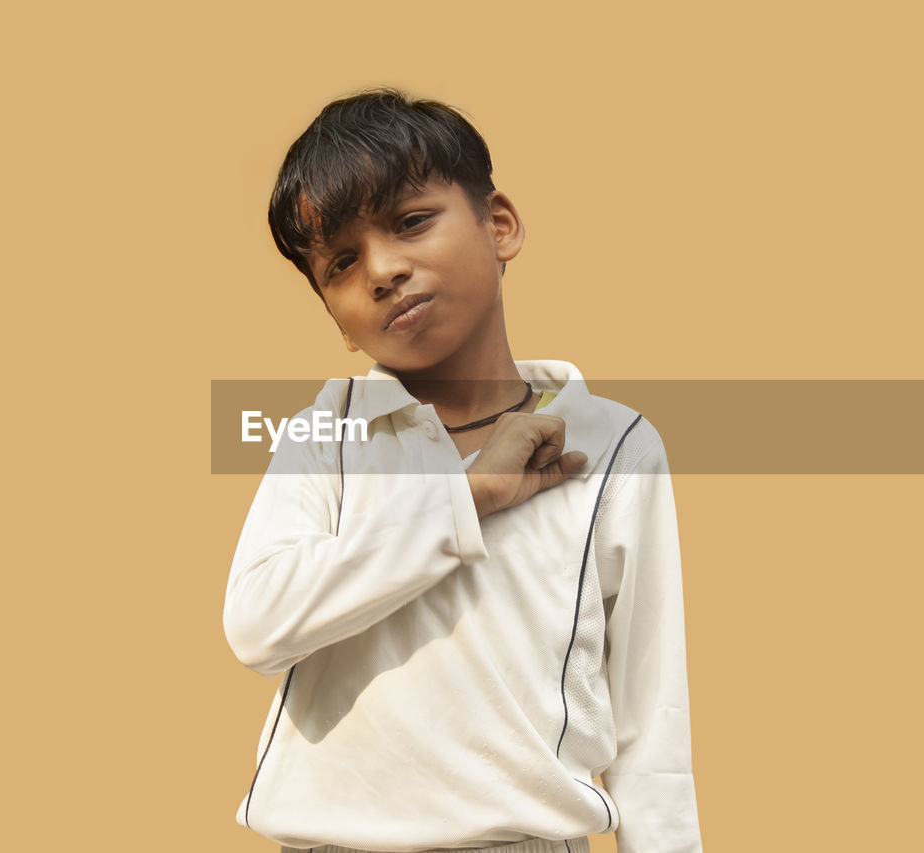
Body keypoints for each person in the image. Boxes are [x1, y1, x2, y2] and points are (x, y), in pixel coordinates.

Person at [223, 88, 703, 853]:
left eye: (411, 221)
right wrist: (464, 499)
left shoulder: (612, 445)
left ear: (499, 225)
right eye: (342, 262)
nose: (382, 269)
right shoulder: (329, 429)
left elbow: (652, 722)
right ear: (336, 318)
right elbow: (257, 623)